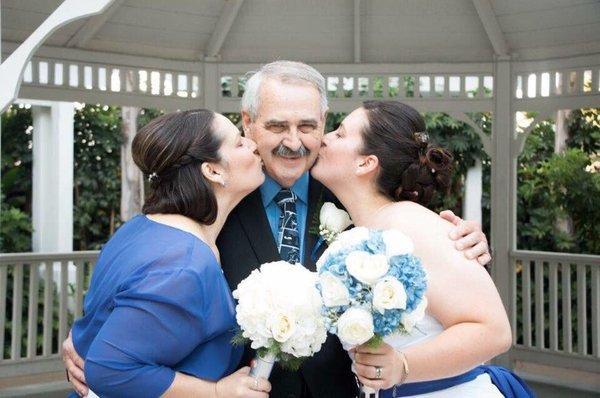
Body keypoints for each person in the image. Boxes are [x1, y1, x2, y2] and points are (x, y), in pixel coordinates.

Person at [64, 61, 492, 398]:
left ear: (324, 123)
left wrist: (464, 242)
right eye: (276, 126)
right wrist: (86, 335)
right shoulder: (211, 200)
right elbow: (144, 276)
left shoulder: (354, 193)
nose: (294, 141)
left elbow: (421, 247)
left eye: (307, 126)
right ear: (247, 124)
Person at [311, 100, 533, 397]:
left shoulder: (409, 223)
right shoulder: (358, 230)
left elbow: (494, 331)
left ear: (366, 162)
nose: (324, 138)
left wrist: (403, 365)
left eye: (340, 133)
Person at [66, 109, 271, 397]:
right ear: (213, 170)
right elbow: (110, 369)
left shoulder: (140, 227)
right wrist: (216, 392)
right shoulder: (183, 265)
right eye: (239, 143)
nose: (253, 144)